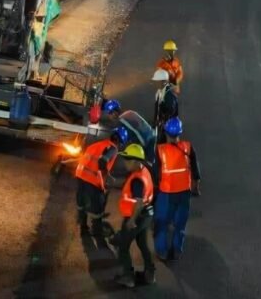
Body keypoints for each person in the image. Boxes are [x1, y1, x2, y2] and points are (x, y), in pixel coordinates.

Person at [154, 117, 201, 262]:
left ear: (166, 133)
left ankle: (161, 251)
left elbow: (156, 174)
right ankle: (177, 249)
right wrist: (196, 188)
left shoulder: (160, 150)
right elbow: (195, 171)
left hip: (166, 194)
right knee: (180, 223)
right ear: (180, 133)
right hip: (184, 193)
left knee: (162, 223)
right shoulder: (187, 147)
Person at [113, 143, 155, 288]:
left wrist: (131, 220)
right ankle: (150, 274)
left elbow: (138, 201)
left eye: (128, 159)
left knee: (123, 246)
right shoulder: (144, 172)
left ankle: (128, 277)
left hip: (136, 217)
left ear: (137, 161)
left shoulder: (137, 180)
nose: (124, 162)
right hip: (147, 214)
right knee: (142, 244)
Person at [75, 125, 129, 237]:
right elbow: (102, 161)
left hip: (80, 175)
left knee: (82, 203)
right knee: (97, 208)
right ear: (119, 141)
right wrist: (107, 176)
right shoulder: (113, 148)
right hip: (92, 180)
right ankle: (97, 231)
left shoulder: (99, 144)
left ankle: (83, 228)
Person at [152, 68, 179, 139]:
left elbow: (171, 113)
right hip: (161, 130)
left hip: (168, 132)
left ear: (163, 82)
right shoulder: (160, 93)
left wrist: (162, 123)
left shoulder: (170, 96)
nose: (155, 84)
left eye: (156, 81)